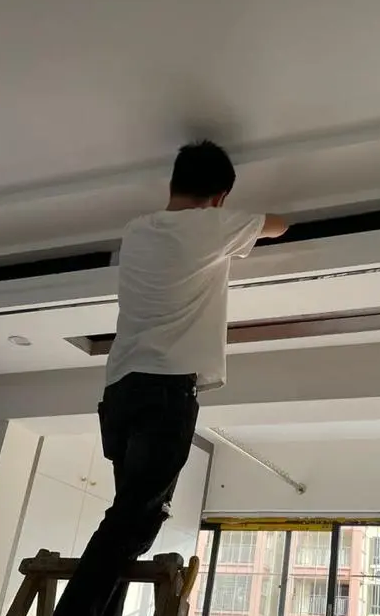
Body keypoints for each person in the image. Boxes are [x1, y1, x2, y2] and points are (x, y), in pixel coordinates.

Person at [53, 140, 289, 616]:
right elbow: (280, 225)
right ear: (220, 197)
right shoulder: (212, 226)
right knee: (136, 518)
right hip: (164, 393)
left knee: (130, 517)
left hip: (122, 389)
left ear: (172, 183)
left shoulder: (137, 230)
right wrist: (228, 217)